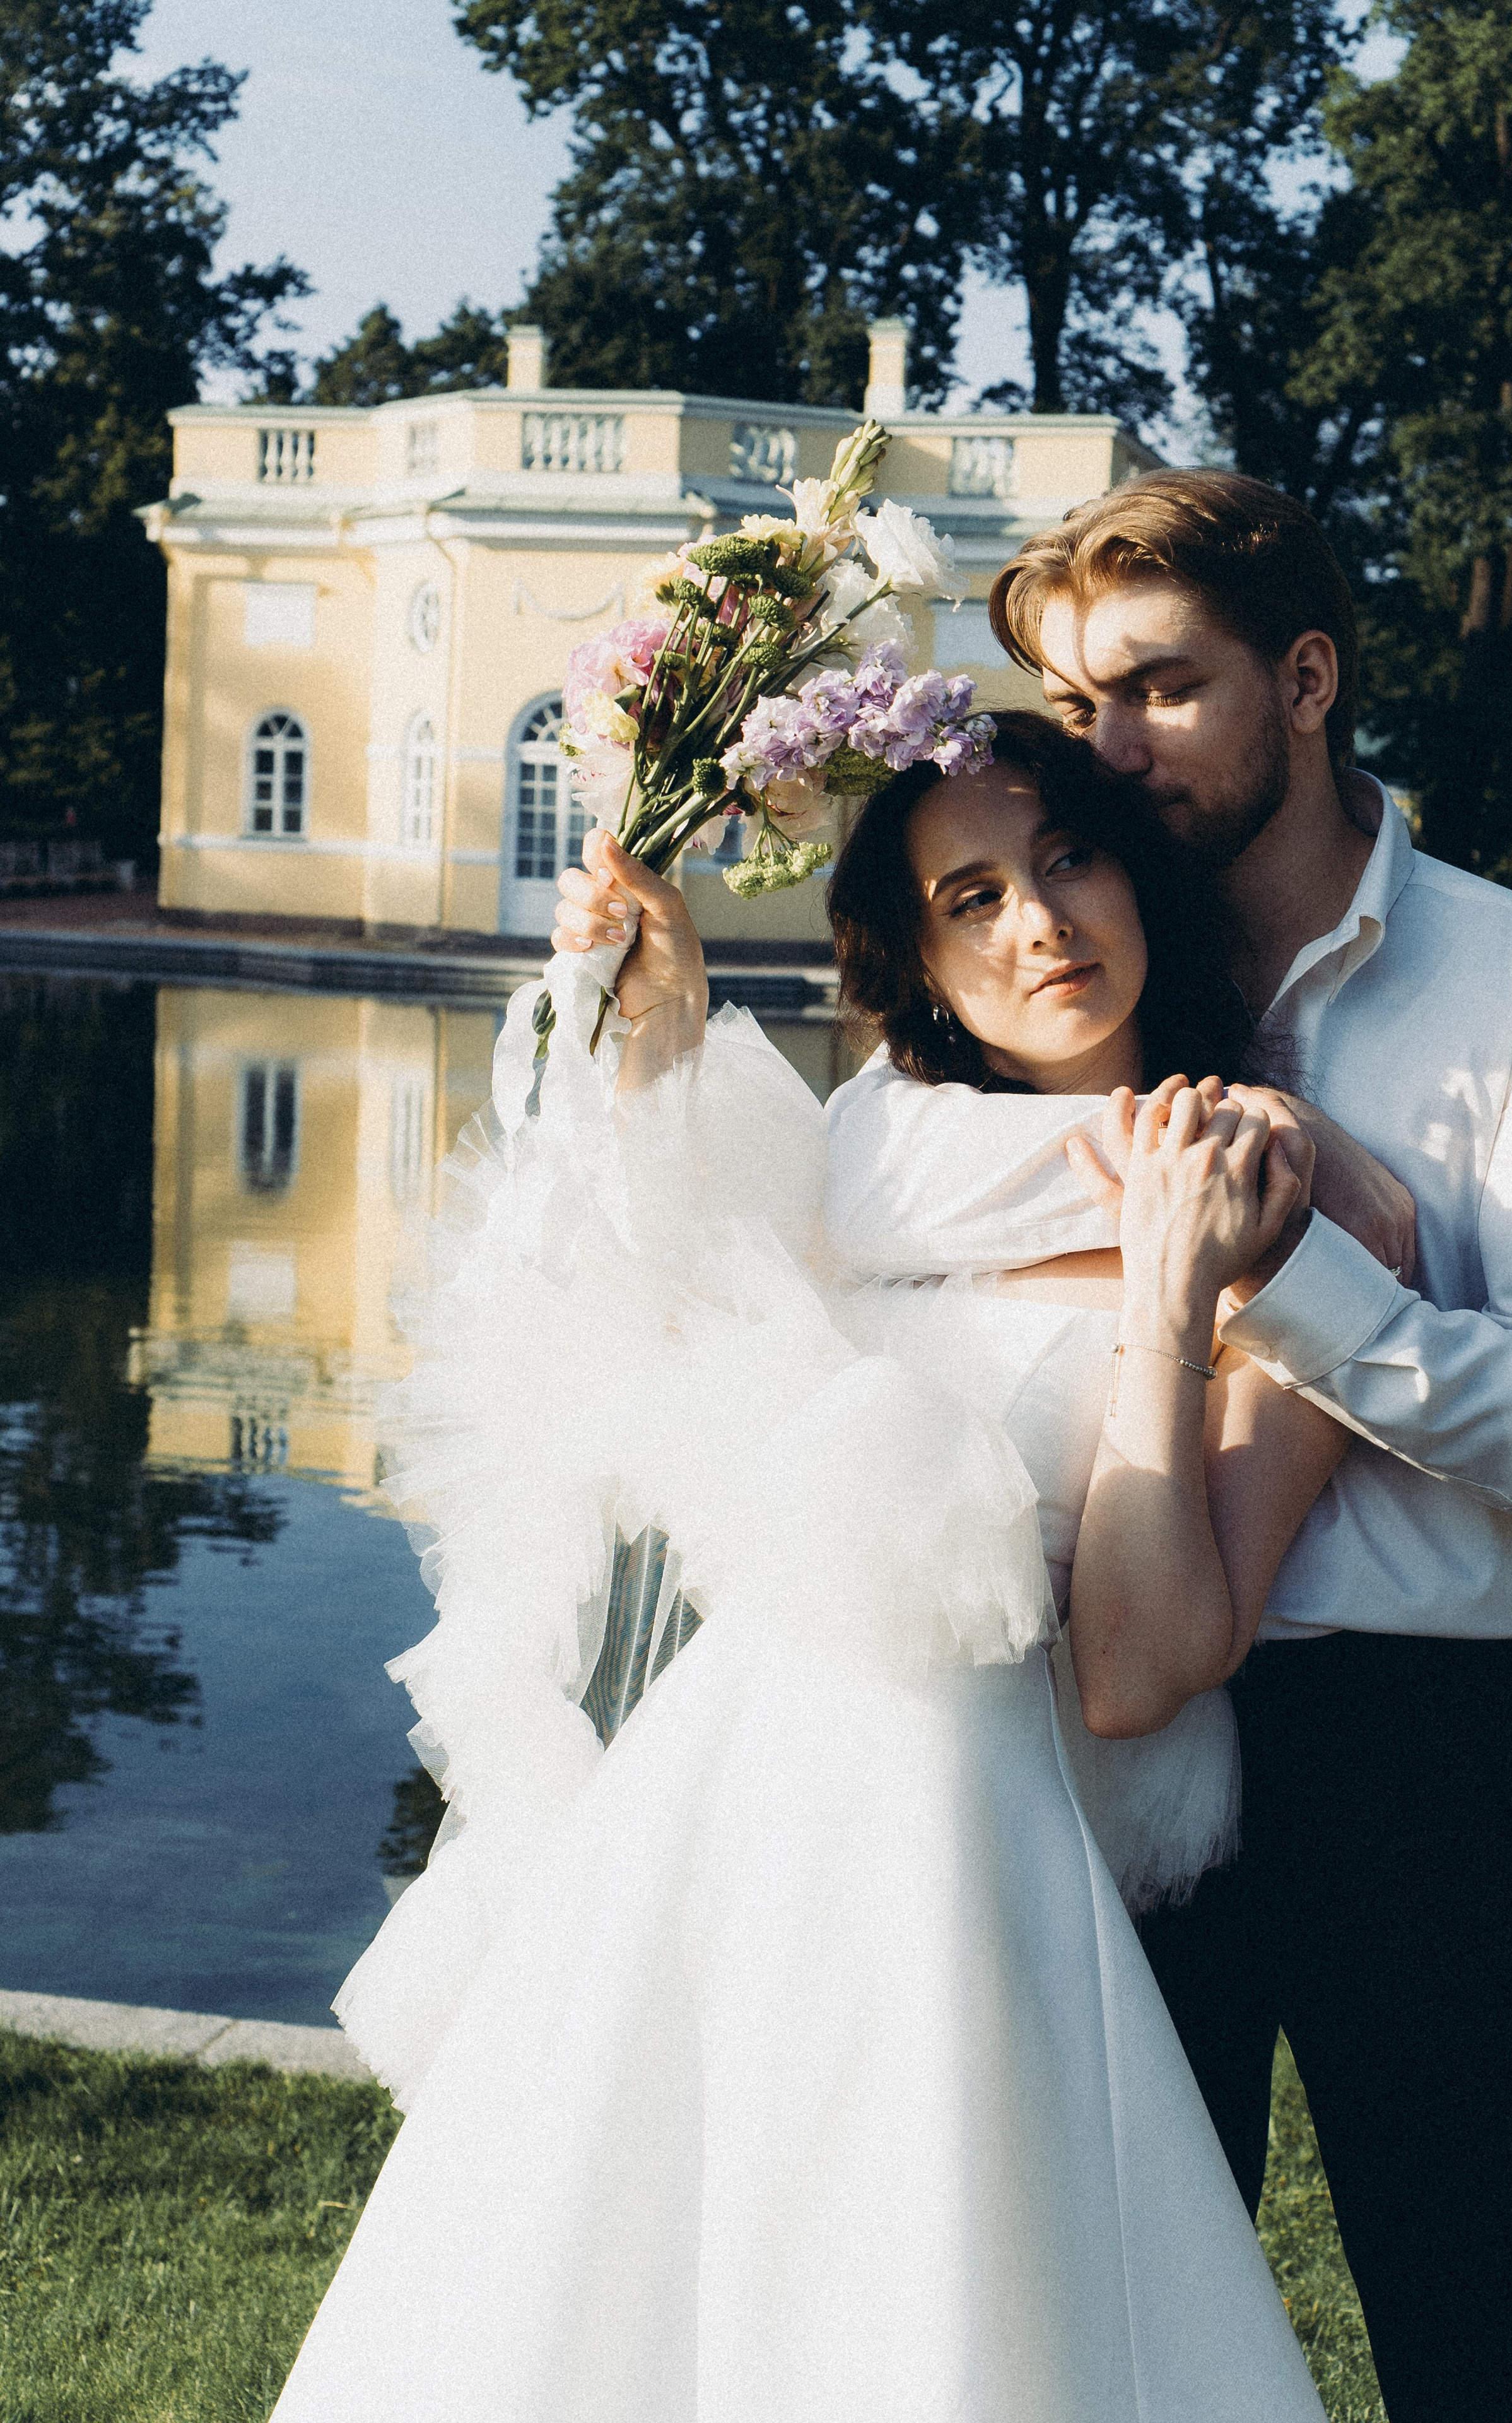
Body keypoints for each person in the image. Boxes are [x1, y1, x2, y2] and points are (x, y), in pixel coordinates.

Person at [269, 715, 1340, 2421]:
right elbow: (687, 1380)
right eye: (971, 898)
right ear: (922, 966)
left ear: (1141, 873)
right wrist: (666, 1035)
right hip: (724, 1802)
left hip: (963, 1844)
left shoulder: (1270, 1197)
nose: (1039, 923)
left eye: (1070, 856)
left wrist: (1169, 1296)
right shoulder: (873, 1165)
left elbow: (1142, 1668)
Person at [853, 469, 1512, 2423]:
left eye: (1159, 689)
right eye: (1075, 701)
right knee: (1097, 2349)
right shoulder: (1067, 957)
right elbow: (866, 1206)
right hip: (1096, 1758)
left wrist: (1309, 1289)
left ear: (1307, 679)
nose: (1107, 750)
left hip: (1435, 1756)